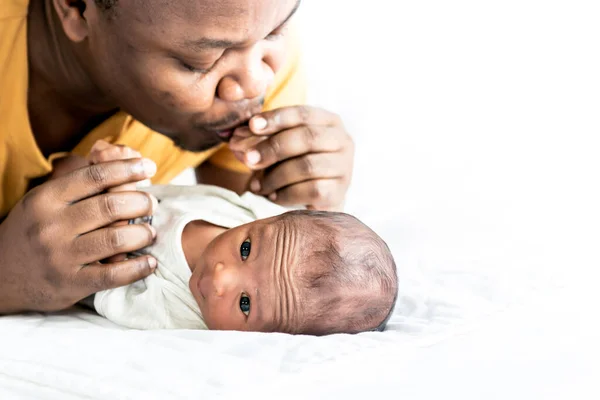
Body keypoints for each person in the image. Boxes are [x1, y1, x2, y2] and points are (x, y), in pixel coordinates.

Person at [0, 0, 354, 314]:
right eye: (199, 61)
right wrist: (8, 278)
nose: (255, 84)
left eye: (277, 29)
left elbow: (242, 223)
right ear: (76, 6)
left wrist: (299, 199)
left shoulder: (249, 44)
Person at [55, 141, 397, 334]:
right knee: (73, 162)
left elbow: (111, 290)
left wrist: (117, 205)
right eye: (246, 250)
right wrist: (125, 172)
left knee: (62, 181)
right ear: (270, 218)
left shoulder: (184, 313)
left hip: (80, 245)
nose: (221, 277)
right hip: (120, 196)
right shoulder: (248, 216)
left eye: (245, 303)